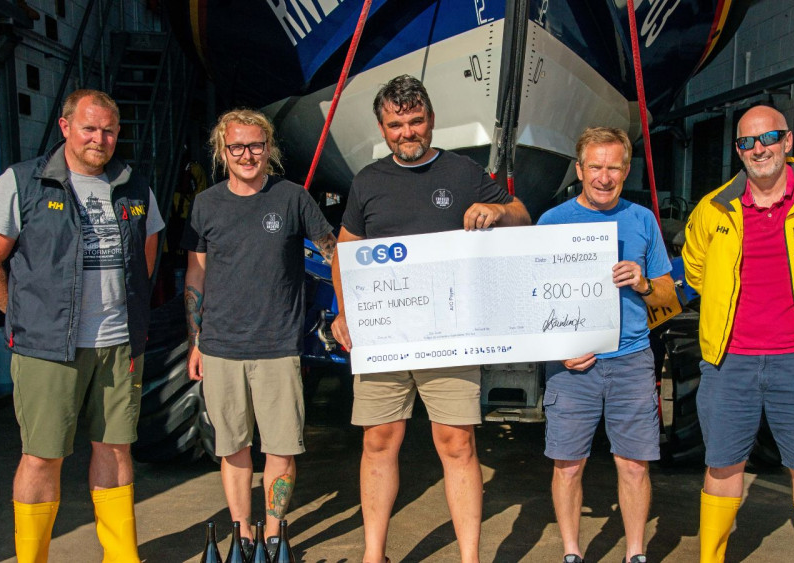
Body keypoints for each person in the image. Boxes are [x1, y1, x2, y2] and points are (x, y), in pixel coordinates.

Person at [329, 74, 531, 563]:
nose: (407, 132)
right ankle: (372, 555)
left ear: (432, 121)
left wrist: (495, 210)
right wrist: (342, 312)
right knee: (379, 441)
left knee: (457, 442)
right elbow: (345, 252)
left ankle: (469, 558)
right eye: (396, 124)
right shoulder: (368, 181)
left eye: (415, 121)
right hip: (385, 336)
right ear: (382, 127)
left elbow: (523, 216)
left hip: (451, 337)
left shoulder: (463, 173)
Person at [0, 89, 164, 562]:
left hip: (118, 345)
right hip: (48, 348)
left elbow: (147, 258)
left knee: (116, 450)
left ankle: (121, 556)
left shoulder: (135, 185)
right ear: (65, 127)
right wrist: (26, 320)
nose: (100, 138)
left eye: (110, 130)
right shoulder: (23, 182)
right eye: (90, 128)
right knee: (42, 455)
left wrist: (131, 321)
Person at [682, 105, 794, 563]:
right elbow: (697, 271)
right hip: (730, 361)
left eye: (768, 139)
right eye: (747, 142)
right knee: (723, 465)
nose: (758, 149)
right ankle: (712, 557)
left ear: (787, 141)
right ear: (738, 151)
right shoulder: (713, 209)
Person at [182, 109, 336, 555]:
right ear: (222, 151)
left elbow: (334, 254)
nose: (247, 155)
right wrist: (196, 341)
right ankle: (242, 533)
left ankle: (273, 532)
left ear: (269, 148)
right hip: (220, 348)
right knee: (233, 448)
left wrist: (359, 304)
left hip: (278, 348)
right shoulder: (206, 204)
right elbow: (196, 276)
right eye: (237, 147)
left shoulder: (292, 197)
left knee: (281, 448)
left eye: (256, 145)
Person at [537, 127, 675, 563]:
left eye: (613, 167)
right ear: (579, 170)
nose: (603, 176)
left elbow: (669, 297)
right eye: (594, 166)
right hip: (571, 365)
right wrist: (557, 351)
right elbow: (529, 299)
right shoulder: (551, 222)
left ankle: (636, 554)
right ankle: (572, 553)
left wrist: (644, 281)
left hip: (632, 359)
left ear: (626, 170)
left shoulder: (643, 219)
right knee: (567, 464)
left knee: (634, 464)